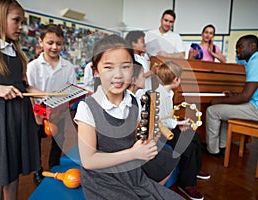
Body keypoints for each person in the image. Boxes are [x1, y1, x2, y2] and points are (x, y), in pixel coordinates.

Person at [74, 34, 184, 199]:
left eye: (125, 67)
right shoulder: (87, 108)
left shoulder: (135, 102)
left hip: (134, 176)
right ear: (96, 71)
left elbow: (137, 141)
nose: (118, 75)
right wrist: (134, 154)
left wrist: (151, 141)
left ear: (133, 70)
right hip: (103, 183)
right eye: (108, 67)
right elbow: (89, 161)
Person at [0, 0, 41, 199]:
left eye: (22, 21)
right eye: (16, 20)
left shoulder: (16, 51)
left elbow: (24, 86)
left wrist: (41, 94)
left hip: (17, 116)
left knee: (12, 172)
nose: (21, 26)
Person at [205, 34, 258, 156]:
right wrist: (234, 95)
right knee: (225, 110)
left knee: (212, 111)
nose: (237, 50)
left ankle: (213, 151)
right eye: (237, 47)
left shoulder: (256, 62)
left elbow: (246, 97)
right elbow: (255, 92)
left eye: (240, 47)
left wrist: (219, 101)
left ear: (253, 46)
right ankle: (222, 146)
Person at [26, 24, 77, 185]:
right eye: (50, 43)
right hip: (38, 112)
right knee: (36, 144)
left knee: (58, 141)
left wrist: (65, 108)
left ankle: (54, 167)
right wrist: (36, 115)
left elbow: (72, 90)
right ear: (40, 42)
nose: (54, 47)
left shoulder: (68, 66)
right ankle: (37, 171)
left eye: (59, 43)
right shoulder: (32, 66)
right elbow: (28, 90)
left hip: (59, 112)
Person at [155, 61, 210, 200]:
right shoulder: (159, 94)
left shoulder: (170, 93)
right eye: (180, 78)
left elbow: (169, 116)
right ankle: (186, 184)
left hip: (170, 126)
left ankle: (194, 169)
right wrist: (180, 122)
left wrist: (178, 123)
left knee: (195, 137)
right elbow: (162, 119)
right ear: (175, 80)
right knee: (187, 146)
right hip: (162, 132)